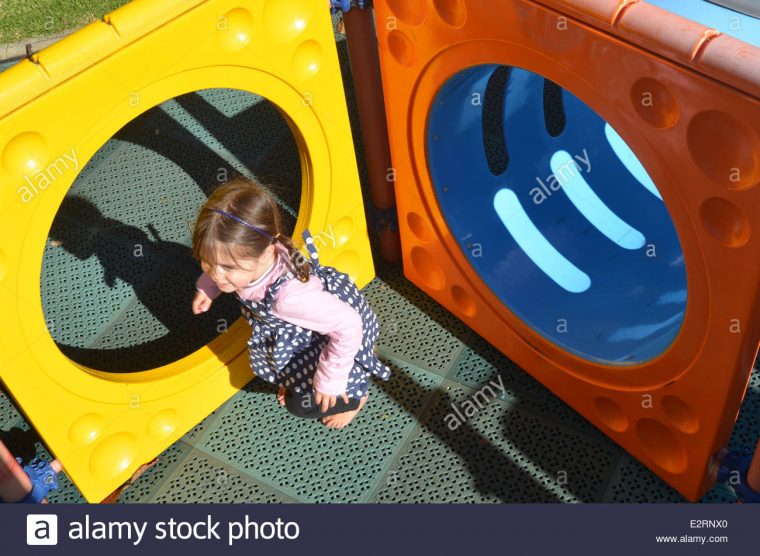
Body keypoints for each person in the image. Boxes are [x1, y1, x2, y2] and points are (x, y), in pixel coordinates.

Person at [191, 178, 391, 429]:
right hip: (310, 322)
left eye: (228, 267)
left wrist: (330, 381)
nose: (216, 274)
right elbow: (217, 270)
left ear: (264, 252)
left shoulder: (289, 299)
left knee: (300, 404)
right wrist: (209, 287)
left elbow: (349, 326)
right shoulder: (261, 245)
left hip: (338, 339)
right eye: (206, 261)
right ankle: (306, 375)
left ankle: (356, 397)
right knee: (290, 377)